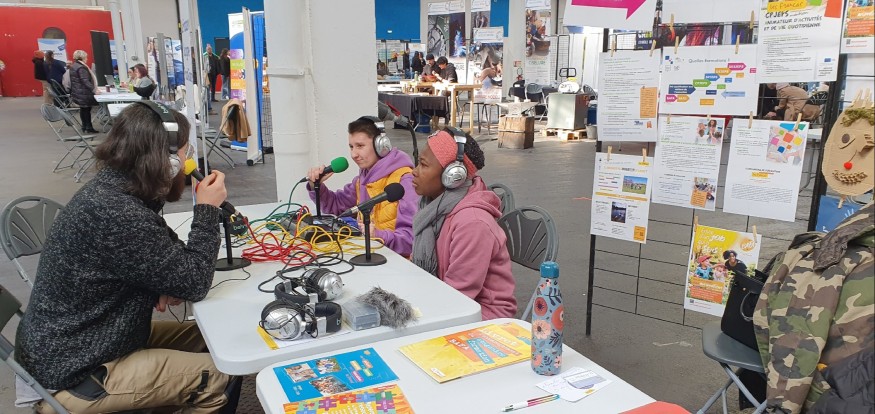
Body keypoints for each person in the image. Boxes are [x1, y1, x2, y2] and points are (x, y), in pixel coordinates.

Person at [14, 102, 239, 413]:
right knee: (221, 375)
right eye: (184, 151)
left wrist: (157, 283)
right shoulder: (117, 213)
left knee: (216, 338)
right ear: (168, 161)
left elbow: (165, 255)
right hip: (74, 370)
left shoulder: (114, 192)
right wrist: (207, 210)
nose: (188, 161)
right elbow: (194, 282)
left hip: (93, 340)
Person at [410, 129, 517, 320]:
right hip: (448, 300)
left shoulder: (473, 223)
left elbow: (457, 297)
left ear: (453, 176)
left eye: (423, 165)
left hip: (485, 317)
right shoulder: (431, 208)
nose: (414, 171)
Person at [306, 117, 417, 257]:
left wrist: (378, 235)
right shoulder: (363, 178)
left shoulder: (405, 180)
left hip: (396, 262)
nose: (353, 154)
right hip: (369, 255)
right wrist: (316, 185)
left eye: (360, 146)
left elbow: (412, 239)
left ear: (381, 145)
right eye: (351, 147)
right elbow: (336, 206)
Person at [69, 50, 99, 133]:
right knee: (87, 109)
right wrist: (94, 89)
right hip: (83, 92)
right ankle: (89, 127)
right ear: (82, 57)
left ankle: (84, 126)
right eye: (86, 57)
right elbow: (85, 81)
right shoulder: (81, 67)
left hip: (78, 91)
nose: (87, 58)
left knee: (83, 109)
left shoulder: (74, 66)